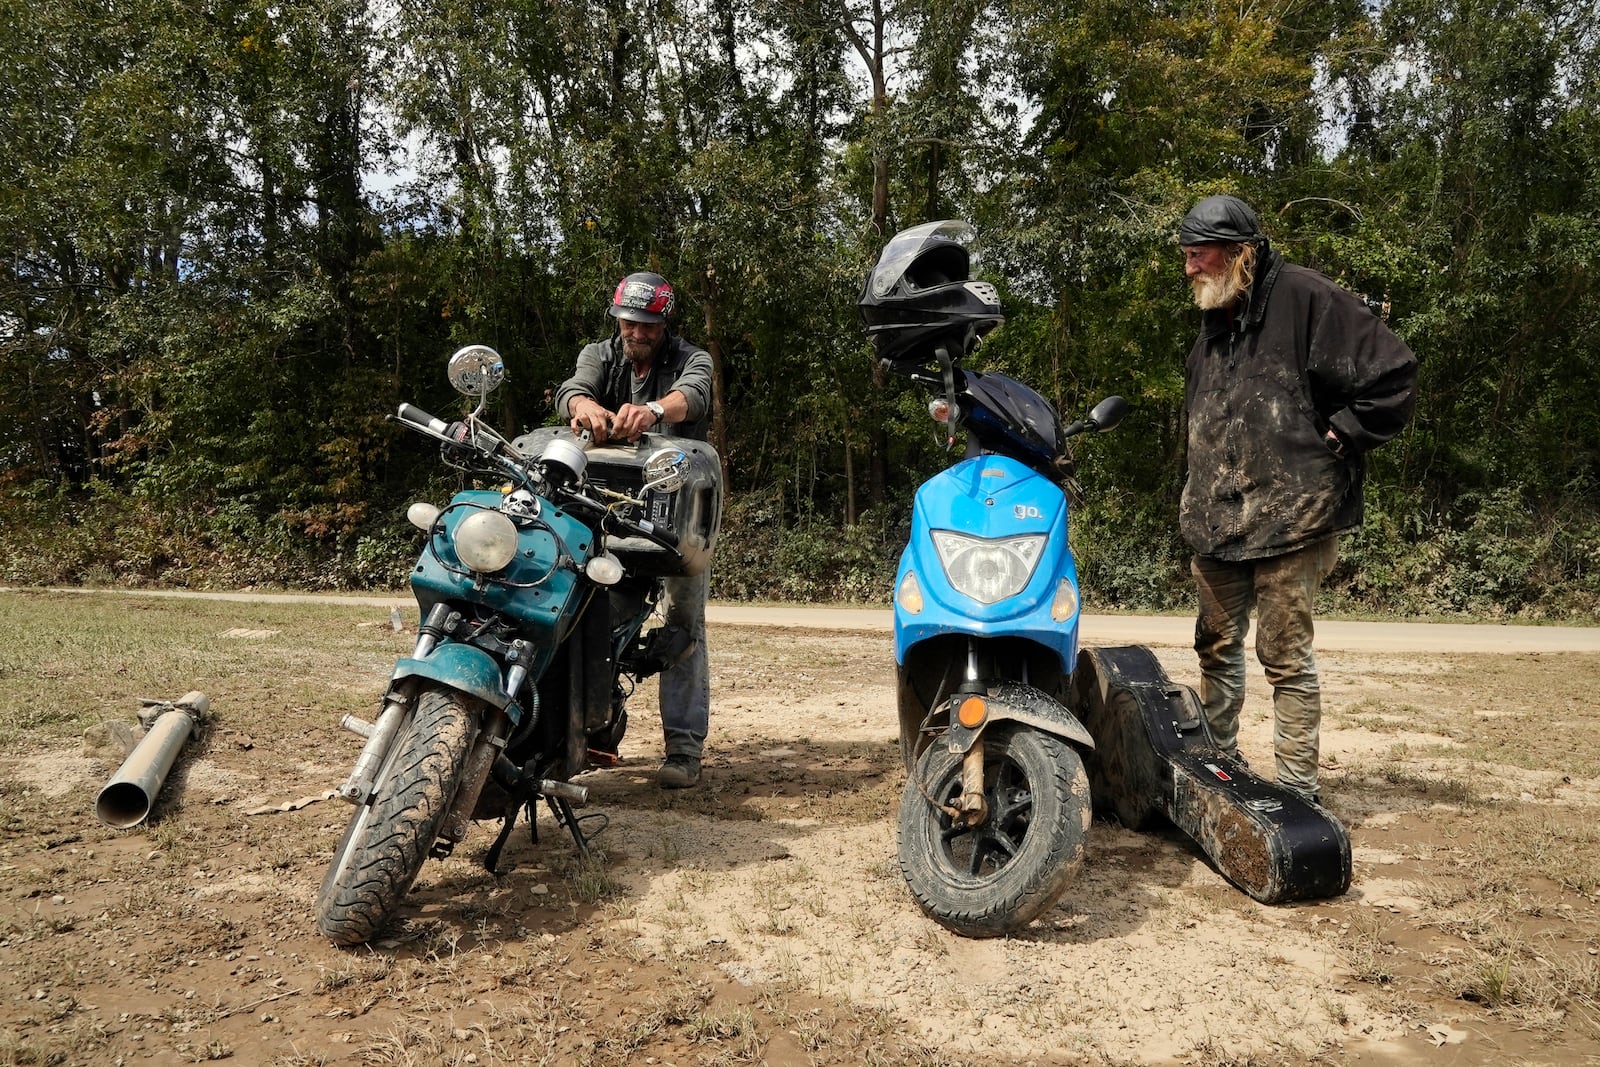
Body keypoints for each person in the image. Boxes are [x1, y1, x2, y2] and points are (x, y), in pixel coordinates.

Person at [1177, 194, 1417, 805]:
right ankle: (1217, 767)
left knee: (1283, 655)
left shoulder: (1306, 297)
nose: (1189, 268)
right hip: (1217, 520)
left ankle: (1296, 793)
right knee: (1216, 648)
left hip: (1293, 516)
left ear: (1239, 254)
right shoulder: (1213, 327)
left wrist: (1345, 434)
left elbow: (1392, 373)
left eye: (1198, 254)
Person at [554, 271, 716, 789]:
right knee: (590, 614)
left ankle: (684, 750)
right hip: (602, 509)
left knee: (684, 627)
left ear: (664, 323)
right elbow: (572, 390)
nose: (638, 334)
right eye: (630, 324)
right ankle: (597, 729)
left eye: (648, 326)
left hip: (677, 516)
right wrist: (584, 407)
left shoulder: (692, 358)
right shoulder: (599, 354)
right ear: (618, 320)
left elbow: (694, 395)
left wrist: (651, 411)